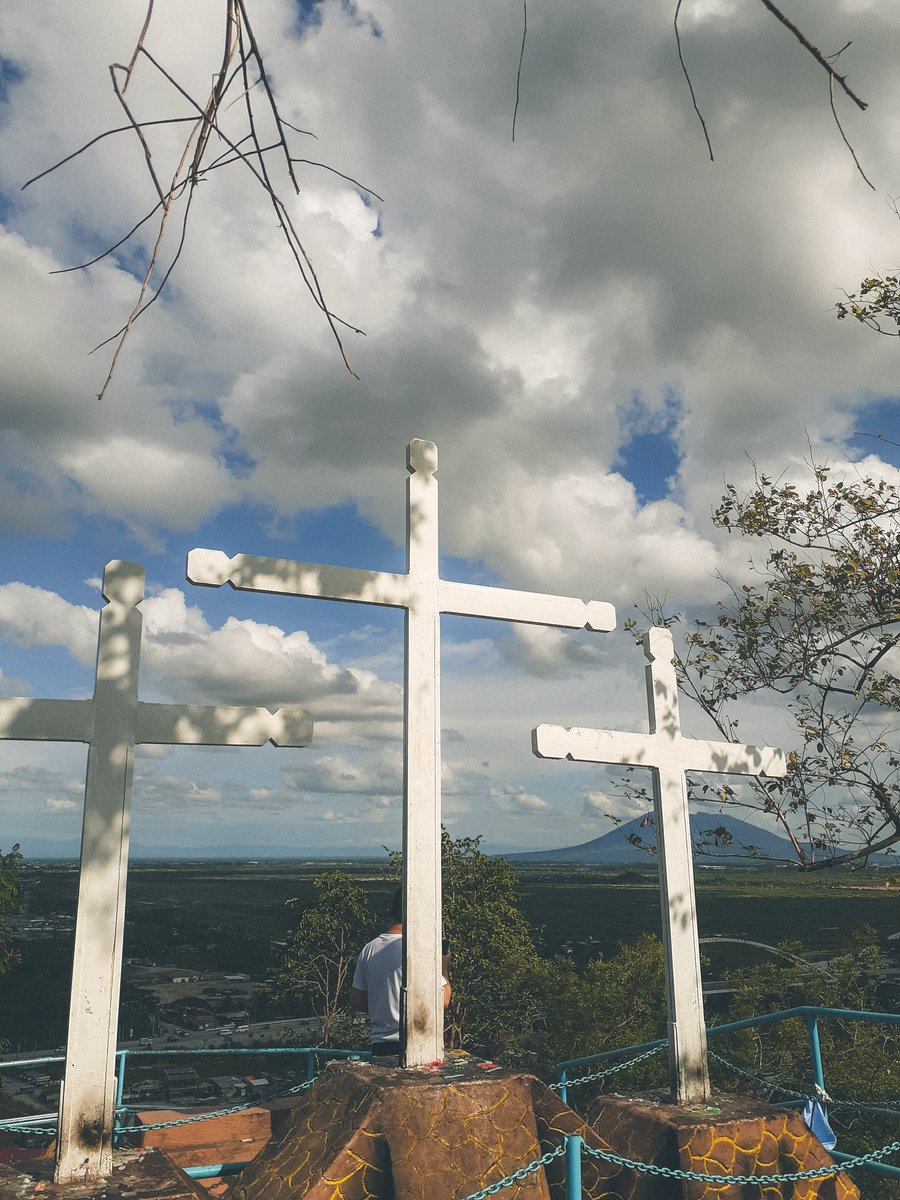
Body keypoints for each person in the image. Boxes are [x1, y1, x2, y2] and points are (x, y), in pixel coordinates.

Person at [350, 888, 450, 1056]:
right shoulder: (417, 950)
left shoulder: (369, 949)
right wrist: (443, 966)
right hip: (418, 1042)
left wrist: (386, 1008)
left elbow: (357, 1000)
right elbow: (444, 999)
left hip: (380, 1045)